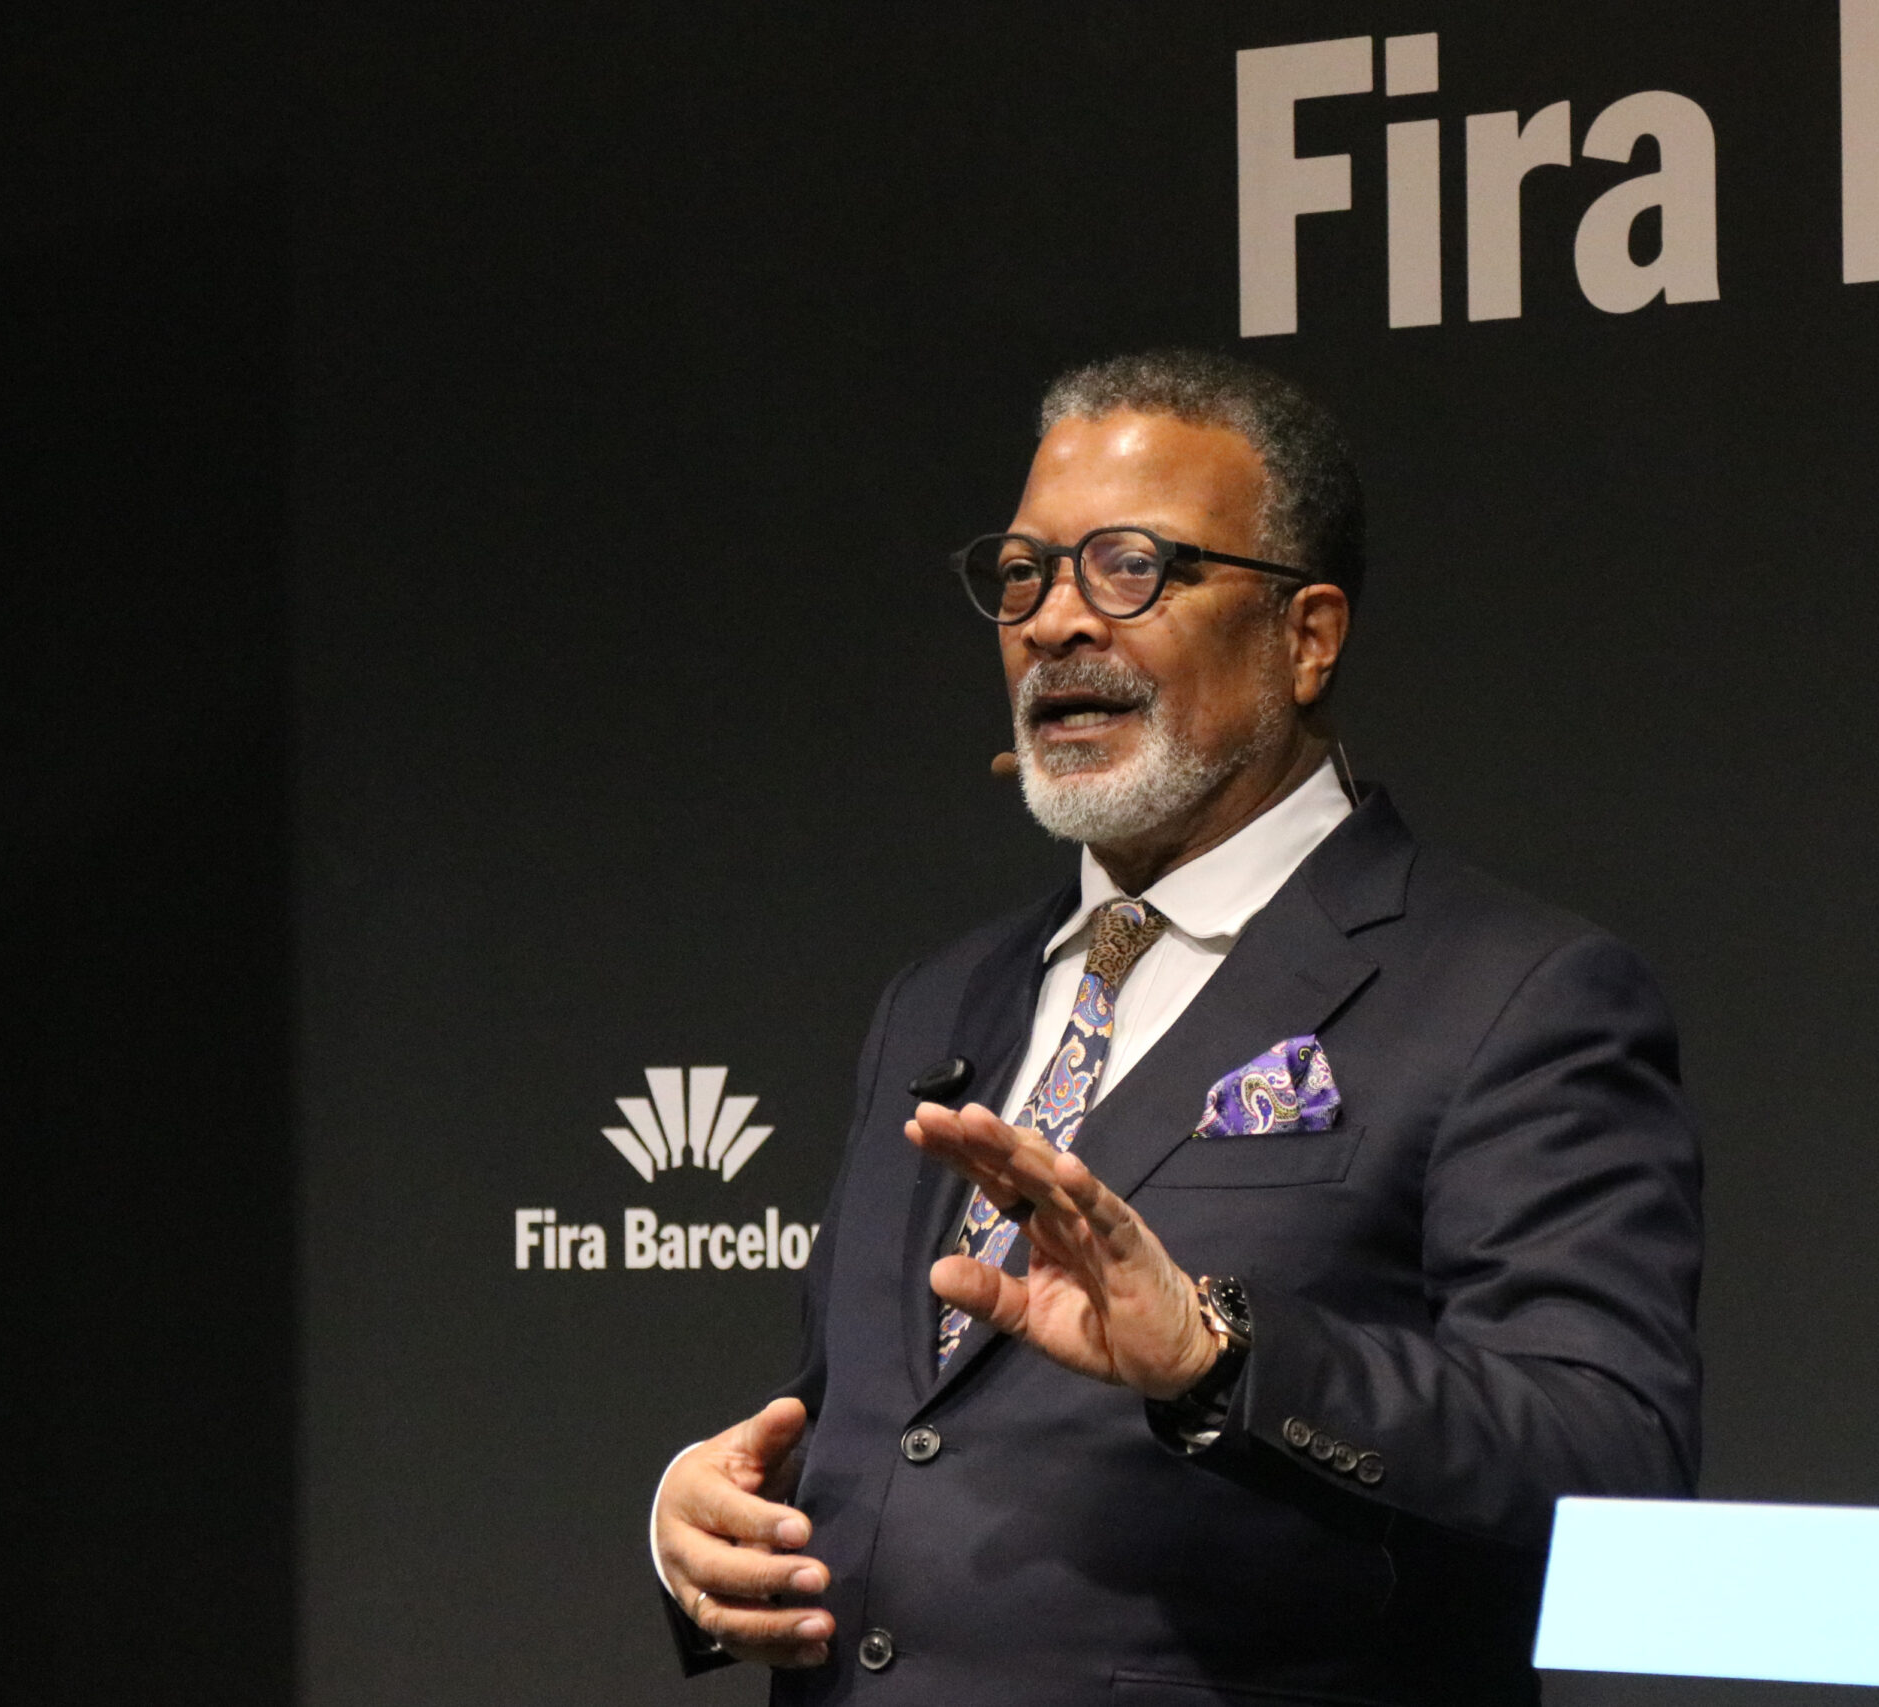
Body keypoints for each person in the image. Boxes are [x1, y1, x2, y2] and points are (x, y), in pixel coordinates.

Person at [650, 350, 1701, 1705]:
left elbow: (1609, 1459)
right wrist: (711, 1518)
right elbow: (894, 1427)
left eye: (1129, 569)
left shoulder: (1515, 994)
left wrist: (1220, 1360)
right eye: (1024, 575)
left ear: (1306, 636)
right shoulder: (941, 996)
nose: (1054, 623)